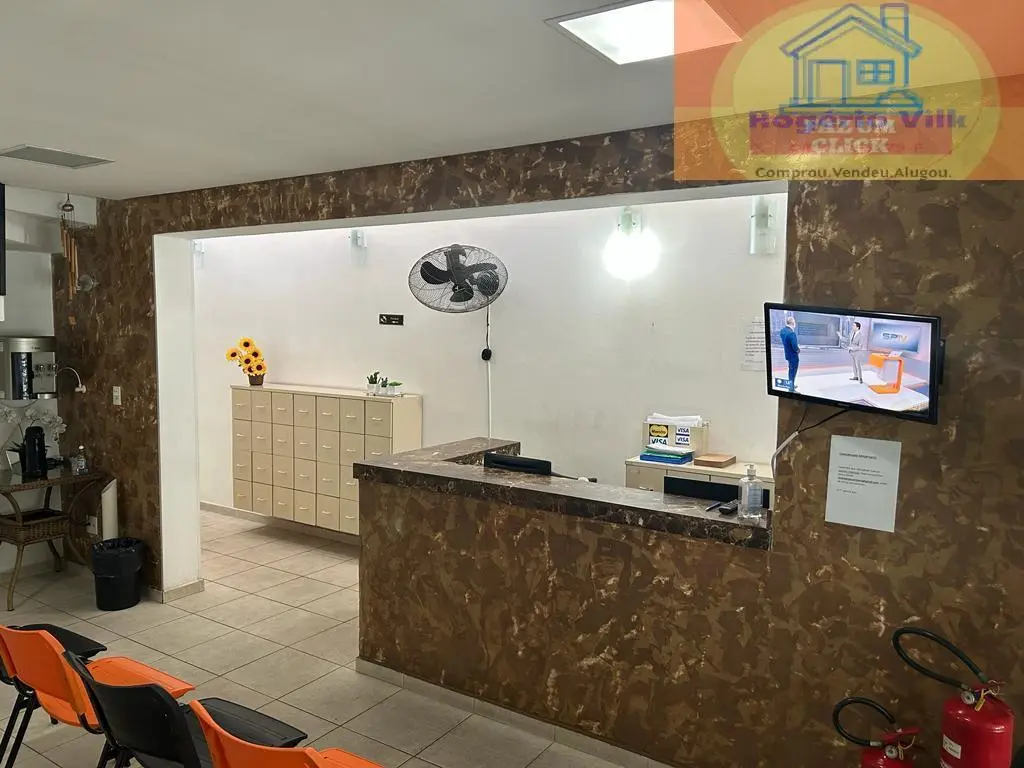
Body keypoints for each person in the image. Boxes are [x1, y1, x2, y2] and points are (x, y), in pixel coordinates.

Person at [780, 316, 800, 391]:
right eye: (794, 322)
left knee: (790, 370)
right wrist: (798, 350)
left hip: (787, 354)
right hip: (793, 356)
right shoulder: (792, 333)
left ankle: (791, 385)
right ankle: (791, 389)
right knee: (793, 372)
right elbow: (794, 346)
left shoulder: (782, 331)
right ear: (792, 323)